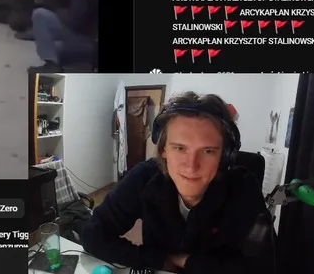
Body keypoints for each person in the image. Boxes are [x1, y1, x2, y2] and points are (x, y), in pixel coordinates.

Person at [82, 92, 271, 273]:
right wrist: (158, 259)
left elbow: (264, 266)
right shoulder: (144, 178)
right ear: (163, 149)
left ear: (224, 155)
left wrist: (185, 261)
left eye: (208, 151)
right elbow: (93, 234)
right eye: (180, 148)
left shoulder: (243, 187)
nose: (191, 166)